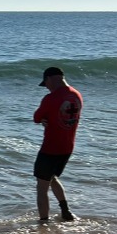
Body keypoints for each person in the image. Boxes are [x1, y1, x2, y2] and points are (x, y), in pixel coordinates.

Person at [33, 66, 83, 222]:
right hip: (67, 148)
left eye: (45, 83)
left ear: (49, 79)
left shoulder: (51, 98)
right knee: (52, 177)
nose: (46, 87)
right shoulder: (76, 95)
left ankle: (44, 222)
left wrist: (43, 119)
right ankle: (65, 211)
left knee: (42, 187)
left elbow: (36, 117)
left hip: (50, 148)